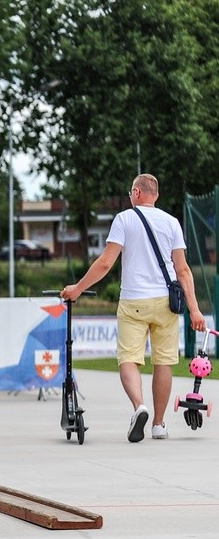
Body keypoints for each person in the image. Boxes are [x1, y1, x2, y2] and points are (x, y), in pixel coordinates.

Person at [61, 173, 206, 442]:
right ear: (157, 196)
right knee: (164, 362)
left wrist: (77, 289)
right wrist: (195, 309)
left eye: (131, 192)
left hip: (133, 301)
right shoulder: (172, 222)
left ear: (137, 193)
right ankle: (159, 425)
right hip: (166, 302)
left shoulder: (124, 219)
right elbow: (183, 269)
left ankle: (139, 406)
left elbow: (105, 263)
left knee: (128, 359)